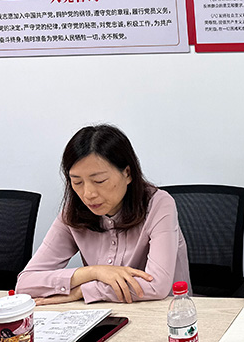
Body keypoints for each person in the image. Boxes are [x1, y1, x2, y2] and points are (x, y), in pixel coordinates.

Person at [16, 125, 190, 304]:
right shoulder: (73, 213)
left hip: (169, 312)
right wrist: (94, 272)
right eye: (77, 182)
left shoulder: (158, 204)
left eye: (99, 181)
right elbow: (25, 284)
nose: (88, 194)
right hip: (101, 314)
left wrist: (83, 290)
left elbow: (156, 286)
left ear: (127, 173)